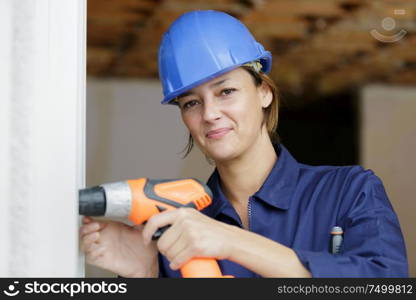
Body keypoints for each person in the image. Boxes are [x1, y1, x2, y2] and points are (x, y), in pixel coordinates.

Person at [80, 10, 408, 278]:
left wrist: (232, 243)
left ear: (264, 92)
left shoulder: (349, 191)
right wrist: (148, 274)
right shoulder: (176, 228)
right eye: (191, 103)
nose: (209, 114)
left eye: (226, 92)